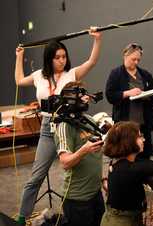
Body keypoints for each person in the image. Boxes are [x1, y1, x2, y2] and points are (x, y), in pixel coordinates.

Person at [14, 28, 102, 225]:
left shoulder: (71, 73)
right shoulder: (39, 75)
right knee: (36, 177)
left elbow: (92, 61)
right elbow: (19, 81)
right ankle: (21, 218)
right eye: (57, 57)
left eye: (64, 56)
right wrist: (19, 56)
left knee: (81, 170)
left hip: (71, 126)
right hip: (48, 128)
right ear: (49, 59)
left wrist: (97, 40)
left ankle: (78, 210)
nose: (62, 60)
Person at [54, 81, 105, 226]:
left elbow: (96, 154)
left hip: (96, 193)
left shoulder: (88, 120)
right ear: (70, 98)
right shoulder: (64, 126)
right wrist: (84, 150)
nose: (87, 98)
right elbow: (65, 162)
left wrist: (103, 179)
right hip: (77, 199)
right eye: (81, 95)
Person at [105, 43, 153, 159]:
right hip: (124, 124)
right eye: (133, 59)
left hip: (143, 124)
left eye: (138, 60)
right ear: (125, 56)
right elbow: (110, 95)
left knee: (144, 155)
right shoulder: (116, 74)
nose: (136, 62)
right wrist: (127, 93)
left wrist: (147, 95)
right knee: (124, 155)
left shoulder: (145, 74)